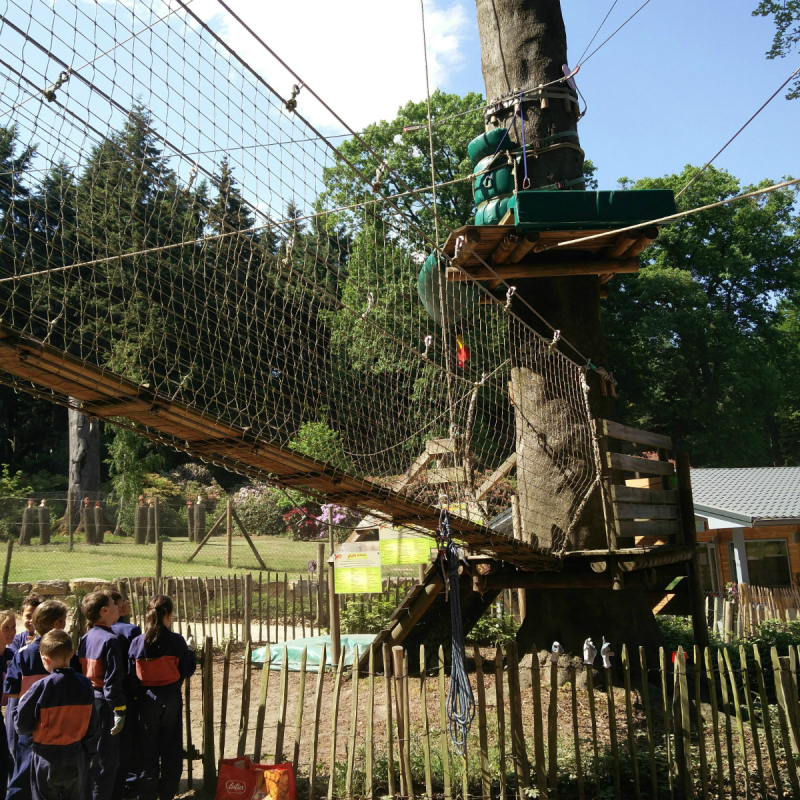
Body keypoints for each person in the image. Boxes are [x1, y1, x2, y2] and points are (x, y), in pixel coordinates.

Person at [16, 630, 99, 800]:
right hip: (76, 755)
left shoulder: (41, 687)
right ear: (72, 652)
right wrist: (88, 755)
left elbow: (21, 726)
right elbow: (93, 726)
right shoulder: (85, 684)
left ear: (45, 659)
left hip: (46, 757)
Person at [5, 601, 75, 800]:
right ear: (57, 624)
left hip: (30, 724)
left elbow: (11, 691)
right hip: (60, 725)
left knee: (22, 776)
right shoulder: (67, 654)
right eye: (64, 621)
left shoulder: (23, 655)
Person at [128, 595, 195, 800]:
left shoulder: (137, 642)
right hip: (171, 696)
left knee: (146, 748)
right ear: (169, 614)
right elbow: (188, 669)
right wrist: (190, 651)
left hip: (146, 699)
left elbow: (131, 677)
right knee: (171, 746)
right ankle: (167, 792)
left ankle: (147, 793)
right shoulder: (176, 641)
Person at [78, 591, 125, 800]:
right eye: (114, 605)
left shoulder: (85, 637)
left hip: (89, 702)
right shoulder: (110, 640)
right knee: (106, 762)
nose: (118, 608)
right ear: (104, 611)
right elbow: (113, 680)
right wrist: (119, 709)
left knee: (91, 758)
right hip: (105, 705)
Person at [109, 591, 141, 800]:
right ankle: (128, 784)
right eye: (122, 602)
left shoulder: (94, 631)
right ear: (118, 607)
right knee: (128, 741)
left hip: (104, 694)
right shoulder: (131, 630)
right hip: (127, 692)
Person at [0, 609, 16, 789]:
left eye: (13, 627)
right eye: (6, 628)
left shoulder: (12, 655)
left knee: (5, 761)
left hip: (4, 714)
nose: (12, 632)